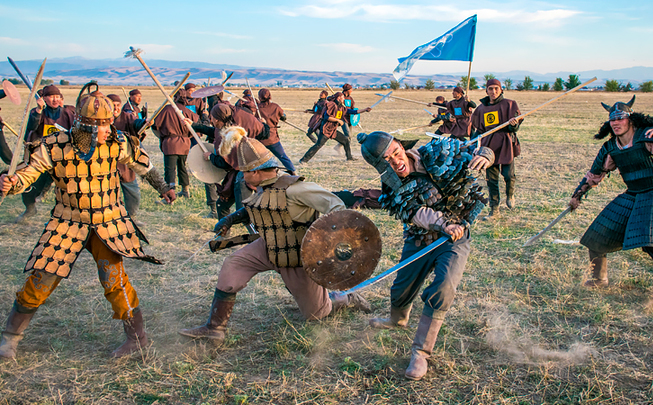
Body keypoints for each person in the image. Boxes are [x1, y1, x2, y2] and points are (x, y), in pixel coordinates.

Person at [0, 86, 176, 360]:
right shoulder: (54, 146)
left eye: (109, 123)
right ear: (87, 127)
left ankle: (137, 340)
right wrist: (11, 182)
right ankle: (10, 338)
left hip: (108, 221)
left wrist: (163, 186)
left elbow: (144, 165)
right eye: (103, 125)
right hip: (67, 222)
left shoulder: (117, 142)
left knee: (115, 282)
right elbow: (27, 174)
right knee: (41, 279)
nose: (109, 128)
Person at [178, 127, 369, 341]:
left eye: (245, 172)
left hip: (297, 256)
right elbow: (261, 205)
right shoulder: (261, 185)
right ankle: (215, 329)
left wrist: (323, 239)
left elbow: (336, 205)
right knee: (232, 266)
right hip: (267, 246)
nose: (243, 176)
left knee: (317, 313)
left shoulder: (296, 189)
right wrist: (231, 219)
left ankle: (344, 298)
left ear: (257, 171)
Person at [357, 130, 494, 380]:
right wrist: (443, 223)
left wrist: (486, 153)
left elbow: (474, 151)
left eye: (396, 153)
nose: (396, 162)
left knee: (444, 287)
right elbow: (416, 213)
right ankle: (397, 319)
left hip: (455, 238)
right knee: (401, 289)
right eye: (387, 161)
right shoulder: (391, 186)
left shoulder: (438, 151)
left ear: (401, 145)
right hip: (420, 239)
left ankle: (420, 352)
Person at [569, 96, 653, 302]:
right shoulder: (610, 148)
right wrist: (577, 196)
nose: (615, 123)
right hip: (633, 193)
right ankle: (599, 279)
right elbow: (595, 174)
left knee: (651, 240)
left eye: (620, 118)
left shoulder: (648, 136)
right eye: (612, 120)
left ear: (630, 120)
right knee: (596, 236)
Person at [14, 85, 76, 223]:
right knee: (30, 189)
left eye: (57, 96)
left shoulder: (67, 113)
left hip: (63, 158)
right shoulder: (36, 112)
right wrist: (38, 110)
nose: (54, 99)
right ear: (44, 99)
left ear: (61, 98)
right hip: (42, 158)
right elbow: (32, 127)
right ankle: (30, 210)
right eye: (51, 96)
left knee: (68, 190)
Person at [470, 78, 522, 219]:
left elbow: (514, 128)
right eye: (490, 89)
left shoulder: (509, 104)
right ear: (486, 91)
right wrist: (472, 143)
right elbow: (479, 131)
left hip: (505, 144)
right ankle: (494, 210)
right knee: (491, 180)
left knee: (508, 175)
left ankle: (510, 195)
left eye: (496, 88)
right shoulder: (481, 108)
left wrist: (513, 124)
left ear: (501, 90)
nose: (493, 91)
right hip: (488, 147)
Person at [151, 89, 199, 199]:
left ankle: (169, 194)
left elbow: (155, 124)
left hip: (171, 144)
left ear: (175, 97)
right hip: (184, 144)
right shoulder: (188, 112)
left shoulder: (167, 109)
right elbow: (196, 124)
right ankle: (185, 190)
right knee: (182, 167)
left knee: (170, 169)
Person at [298, 92, 355, 163]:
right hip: (326, 129)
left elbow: (349, 111)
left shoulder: (339, 107)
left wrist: (363, 110)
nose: (344, 99)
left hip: (333, 130)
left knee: (345, 141)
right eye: (343, 97)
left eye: (322, 94)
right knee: (318, 144)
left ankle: (349, 157)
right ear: (339, 98)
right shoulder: (330, 104)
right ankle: (303, 160)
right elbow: (326, 116)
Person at [256, 89, 295, 173]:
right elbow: (283, 117)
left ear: (259, 97)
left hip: (260, 139)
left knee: (256, 159)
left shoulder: (257, 108)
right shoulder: (275, 107)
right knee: (282, 157)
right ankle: (293, 171)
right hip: (272, 138)